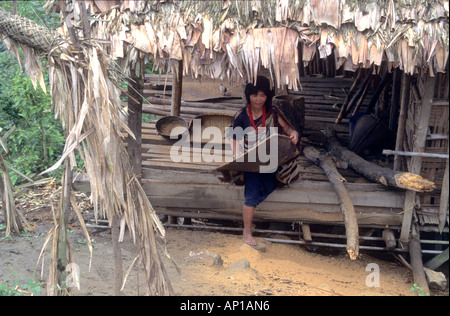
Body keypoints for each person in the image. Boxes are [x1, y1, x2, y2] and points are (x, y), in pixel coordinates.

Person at [231, 76, 300, 248]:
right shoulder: (241, 116)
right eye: (254, 95)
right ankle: (247, 232)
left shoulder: (273, 112)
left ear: (267, 96)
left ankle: (252, 204)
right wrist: (236, 155)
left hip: (270, 159)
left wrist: (294, 134)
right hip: (251, 161)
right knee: (251, 193)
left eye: (262, 95)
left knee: (271, 185)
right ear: (248, 96)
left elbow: (288, 128)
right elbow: (234, 138)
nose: (258, 99)